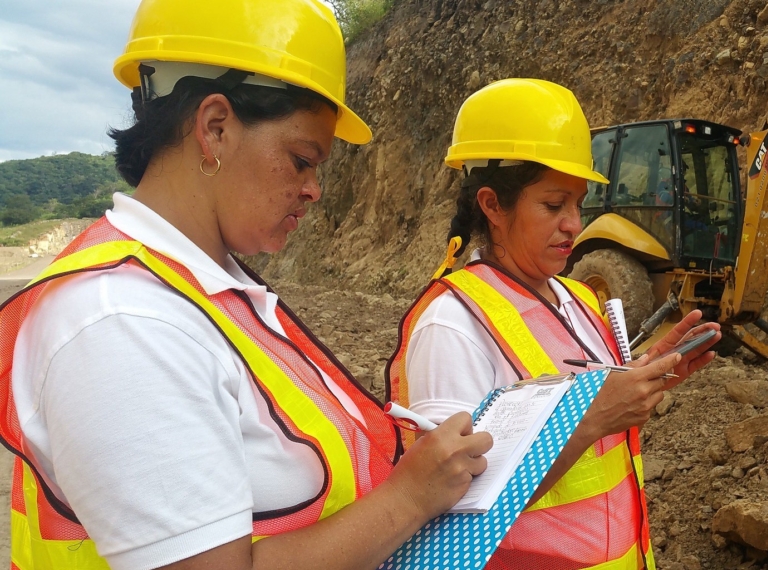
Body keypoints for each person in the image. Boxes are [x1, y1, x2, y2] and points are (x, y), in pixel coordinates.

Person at [0, 1, 492, 569]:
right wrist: (410, 497)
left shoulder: (204, 287)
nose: (314, 190)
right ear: (215, 128)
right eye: (302, 160)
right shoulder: (121, 323)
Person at [386, 78, 721, 570]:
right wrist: (593, 421)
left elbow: (600, 409)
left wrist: (646, 373)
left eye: (578, 204)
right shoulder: (452, 327)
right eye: (553, 205)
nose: (573, 224)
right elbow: (446, 508)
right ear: (492, 205)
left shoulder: (579, 298)